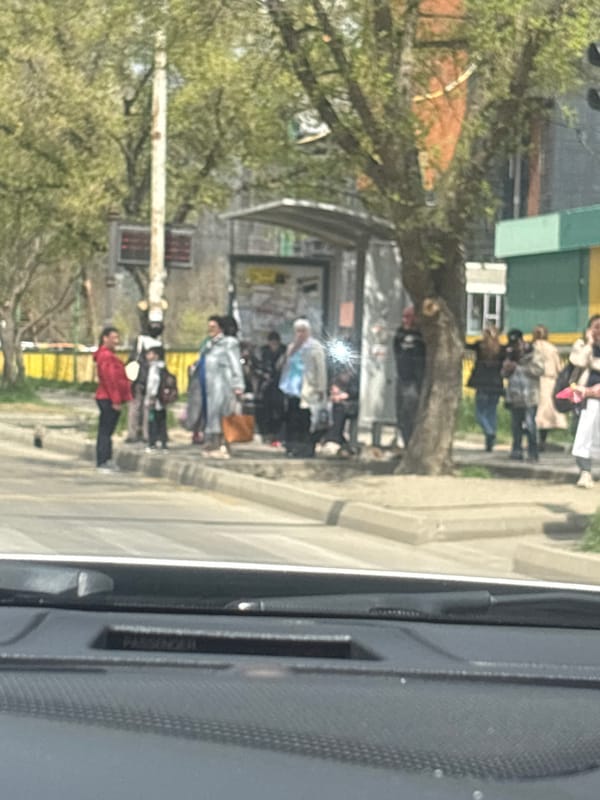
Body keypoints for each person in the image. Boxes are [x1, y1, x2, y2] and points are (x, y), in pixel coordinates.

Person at [195, 315, 245, 458]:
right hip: (210, 386)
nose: (210, 330)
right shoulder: (209, 344)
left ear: (220, 328)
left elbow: (235, 364)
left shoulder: (229, 343)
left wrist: (238, 384)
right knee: (212, 416)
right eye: (209, 327)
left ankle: (225, 445)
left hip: (224, 385)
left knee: (225, 415)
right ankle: (214, 444)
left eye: (213, 327)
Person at [279, 318, 327, 458]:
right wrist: (293, 349)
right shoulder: (292, 347)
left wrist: (321, 388)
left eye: (303, 331)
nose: (300, 334)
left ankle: (306, 448)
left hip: (308, 387)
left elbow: (321, 369)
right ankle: (292, 446)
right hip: (291, 388)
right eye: (298, 331)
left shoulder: (315, 347)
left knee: (305, 419)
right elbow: (285, 365)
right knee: (291, 419)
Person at [93, 326, 132, 472]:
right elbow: (110, 379)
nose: (117, 341)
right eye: (114, 338)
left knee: (107, 431)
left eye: (117, 338)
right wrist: (115, 400)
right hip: (107, 398)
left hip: (109, 397)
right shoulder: (106, 357)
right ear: (105, 338)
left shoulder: (108, 355)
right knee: (105, 431)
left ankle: (106, 459)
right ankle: (103, 460)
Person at [501, 329, 544, 462]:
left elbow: (540, 370)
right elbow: (503, 373)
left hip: (530, 395)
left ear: (521, 341)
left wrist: (520, 367)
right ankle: (516, 450)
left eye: (516, 344)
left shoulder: (533, 352)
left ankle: (532, 452)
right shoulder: (509, 355)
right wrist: (507, 369)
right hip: (515, 395)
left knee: (530, 425)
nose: (514, 347)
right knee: (516, 426)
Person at [569, 315, 600, 488]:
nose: (598, 331)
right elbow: (577, 361)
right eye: (595, 327)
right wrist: (589, 344)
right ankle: (585, 472)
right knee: (582, 435)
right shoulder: (581, 345)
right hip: (584, 398)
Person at [125, 311, 164, 444]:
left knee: (137, 406)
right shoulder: (156, 342)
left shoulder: (142, 340)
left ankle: (134, 433)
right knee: (143, 407)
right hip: (147, 379)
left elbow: (132, 358)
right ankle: (145, 434)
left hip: (143, 379)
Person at [466, 325, 505, 452]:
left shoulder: (480, 346)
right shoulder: (501, 349)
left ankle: (489, 432)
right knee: (491, 412)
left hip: (482, 384)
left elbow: (467, 346)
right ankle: (491, 439)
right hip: (496, 384)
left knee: (480, 413)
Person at [393, 305, 426, 448]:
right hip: (402, 377)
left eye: (408, 317)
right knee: (401, 414)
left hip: (414, 380)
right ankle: (407, 442)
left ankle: (413, 442)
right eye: (404, 317)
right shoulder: (400, 334)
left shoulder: (421, 336)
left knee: (411, 411)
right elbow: (396, 348)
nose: (405, 320)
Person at [532, 324, 568, 451]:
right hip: (550, 381)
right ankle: (542, 440)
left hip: (535, 381)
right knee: (547, 412)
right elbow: (559, 367)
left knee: (535, 411)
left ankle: (533, 439)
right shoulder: (552, 349)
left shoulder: (533, 348)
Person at [254, 331, 286, 445]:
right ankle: (267, 434)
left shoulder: (284, 351)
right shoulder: (263, 351)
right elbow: (257, 366)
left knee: (279, 410)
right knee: (265, 410)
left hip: (280, 384)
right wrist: (264, 375)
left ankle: (277, 434)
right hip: (266, 385)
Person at [321, 366, 359, 457]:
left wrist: (344, 395)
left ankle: (336, 439)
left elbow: (355, 391)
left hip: (349, 404)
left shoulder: (355, 377)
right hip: (335, 403)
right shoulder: (334, 375)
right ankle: (333, 438)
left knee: (339, 411)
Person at [144, 346, 169, 453]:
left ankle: (152, 444)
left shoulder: (154, 368)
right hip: (162, 400)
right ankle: (163, 443)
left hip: (154, 400)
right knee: (162, 422)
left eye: (150, 354)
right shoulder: (163, 367)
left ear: (156, 356)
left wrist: (151, 397)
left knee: (152, 421)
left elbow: (152, 384)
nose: (148, 356)